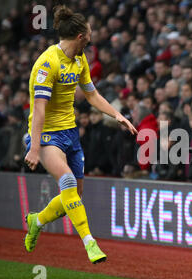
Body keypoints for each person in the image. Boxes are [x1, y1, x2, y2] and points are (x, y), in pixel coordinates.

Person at [23, 5, 137, 264]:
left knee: (74, 195)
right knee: (67, 182)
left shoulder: (80, 58)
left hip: (70, 133)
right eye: (90, 30)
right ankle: (90, 243)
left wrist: (116, 115)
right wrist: (34, 146)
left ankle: (36, 221)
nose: (92, 32)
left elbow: (92, 94)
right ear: (80, 36)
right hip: (46, 135)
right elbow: (38, 110)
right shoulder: (47, 63)